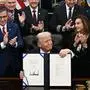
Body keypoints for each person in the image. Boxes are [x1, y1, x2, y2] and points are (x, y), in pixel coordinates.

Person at [0, 6, 23, 77]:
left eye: (4, 17)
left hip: (14, 65)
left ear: (8, 16)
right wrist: (3, 44)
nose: (2, 19)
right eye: (0, 17)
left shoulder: (14, 26)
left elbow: (21, 43)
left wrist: (15, 44)